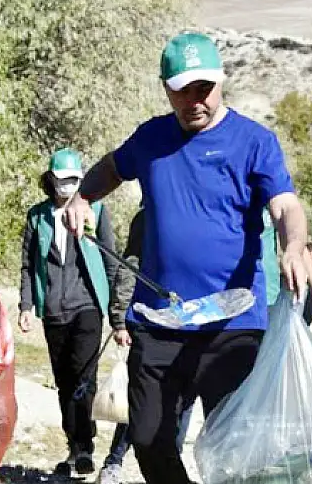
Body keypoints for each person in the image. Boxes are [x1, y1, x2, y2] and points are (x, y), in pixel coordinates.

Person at [60, 31, 312, 484]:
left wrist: (292, 246)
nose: (194, 100)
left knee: (236, 444)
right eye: (182, 89)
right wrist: (83, 198)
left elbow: (285, 205)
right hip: (158, 320)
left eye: (203, 88)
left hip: (233, 323)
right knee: (146, 437)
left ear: (221, 82)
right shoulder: (151, 138)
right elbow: (112, 166)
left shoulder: (253, 141)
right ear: (166, 87)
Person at [18, 148, 116, 477]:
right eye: (62, 180)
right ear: (51, 180)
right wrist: (27, 306)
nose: (67, 186)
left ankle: (86, 447)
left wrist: (118, 316)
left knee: (84, 379)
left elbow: (110, 261)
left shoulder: (97, 210)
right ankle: (73, 448)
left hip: (88, 306)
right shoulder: (37, 217)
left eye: (74, 180)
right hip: (53, 312)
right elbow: (28, 265)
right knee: (64, 382)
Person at [98, 202, 193, 484]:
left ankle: (168, 466)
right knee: (143, 400)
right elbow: (131, 265)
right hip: (153, 321)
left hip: (194, 324)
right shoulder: (148, 217)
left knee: (182, 403)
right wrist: (119, 318)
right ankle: (114, 461)